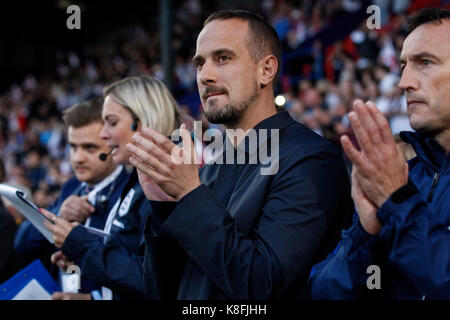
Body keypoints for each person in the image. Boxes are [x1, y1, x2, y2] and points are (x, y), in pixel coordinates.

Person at [128, 10, 353, 299]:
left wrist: (189, 196)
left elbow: (262, 286)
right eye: (199, 63)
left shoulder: (311, 160)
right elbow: (166, 292)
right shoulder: (208, 171)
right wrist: (163, 208)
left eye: (223, 58)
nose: (204, 76)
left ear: (266, 70)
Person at [309, 7, 450, 299]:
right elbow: (324, 291)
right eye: (403, 66)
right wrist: (365, 234)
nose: (404, 83)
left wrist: (398, 202)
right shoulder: (404, 173)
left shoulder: (395, 186)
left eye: (425, 62)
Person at [43, 75, 187, 299]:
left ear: (141, 122)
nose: (103, 133)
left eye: (111, 122)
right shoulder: (137, 177)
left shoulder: (165, 183)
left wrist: (82, 246)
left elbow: (157, 282)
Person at [14, 98, 129, 300]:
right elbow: (22, 244)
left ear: (112, 143)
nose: (77, 158)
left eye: (90, 148)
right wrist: (58, 216)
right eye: (73, 147)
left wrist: (93, 299)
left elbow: (141, 277)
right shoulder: (72, 186)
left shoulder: (130, 192)